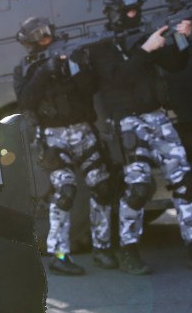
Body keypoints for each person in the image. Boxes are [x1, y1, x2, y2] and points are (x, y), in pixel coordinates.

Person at [87, 0, 192, 275]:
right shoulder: (100, 47)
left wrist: (180, 38)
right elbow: (116, 79)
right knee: (138, 188)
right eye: (127, 11)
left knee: (184, 182)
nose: (134, 15)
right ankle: (128, 250)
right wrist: (144, 49)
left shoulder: (143, 34)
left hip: (157, 118)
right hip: (127, 122)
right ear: (113, 13)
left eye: (136, 10)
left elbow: (176, 64)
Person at [14, 16, 116, 276]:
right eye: (37, 35)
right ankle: (59, 254)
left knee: (102, 187)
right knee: (65, 190)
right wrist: (45, 70)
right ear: (29, 42)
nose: (44, 37)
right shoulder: (25, 69)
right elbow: (26, 100)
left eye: (46, 32)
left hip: (83, 131)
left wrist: (74, 65)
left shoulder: (73, 57)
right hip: (52, 137)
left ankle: (102, 248)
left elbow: (90, 89)